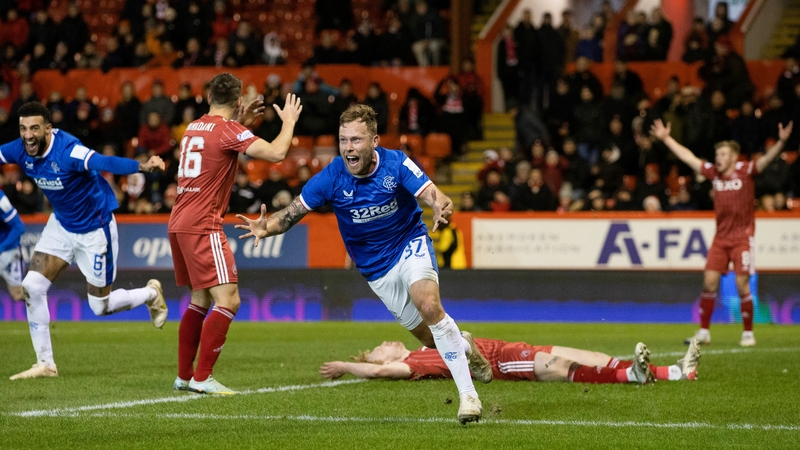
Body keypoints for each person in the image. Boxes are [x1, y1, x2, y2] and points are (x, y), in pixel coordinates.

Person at [237, 104, 491, 424]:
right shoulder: (332, 176)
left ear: (374, 141)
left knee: (428, 304)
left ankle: (469, 397)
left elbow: (433, 195)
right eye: (343, 140)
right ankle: (465, 346)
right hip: (376, 269)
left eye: (356, 140)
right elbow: (292, 213)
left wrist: (441, 206)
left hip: (409, 243)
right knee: (430, 339)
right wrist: (267, 227)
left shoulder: (396, 163)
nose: (348, 148)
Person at [3, 102, 168, 380]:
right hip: (61, 225)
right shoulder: (19, 149)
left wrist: (142, 166)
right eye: (23, 128)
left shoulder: (68, 150)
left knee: (100, 306)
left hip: (95, 229)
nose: (28, 135)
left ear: (48, 128)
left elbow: (104, 162)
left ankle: (151, 294)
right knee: (31, 285)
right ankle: (45, 364)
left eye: (34, 128)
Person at [168, 73, 303, 395]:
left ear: (208, 97)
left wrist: (240, 122)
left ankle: (185, 376)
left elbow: (217, 145)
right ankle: (202, 378)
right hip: (203, 223)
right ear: (239, 100)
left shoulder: (193, 127)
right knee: (229, 300)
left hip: (178, 221)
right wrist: (289, 121)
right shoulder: (228, 130)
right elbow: (276, 153)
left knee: (200, 299)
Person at [650, 119, 794, 347]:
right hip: (720, 238)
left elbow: (766, 160)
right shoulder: (714, 173)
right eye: (717, 154)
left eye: (724, 154)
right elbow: (688, 157)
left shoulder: (746, 171)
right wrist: (666, 138)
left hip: (742, 237)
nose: (719, 158)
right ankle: (704, 332)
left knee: (742, 285)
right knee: (709, 283)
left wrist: (781, 142)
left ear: (734, 157)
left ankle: (748, 333)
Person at [320, 337, 702, 385]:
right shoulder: (414, 364)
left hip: (508, 345)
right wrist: (346, 366)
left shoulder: (424, 343)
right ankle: (632, 377)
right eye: (378, 347)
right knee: (559, 366)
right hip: (500, 361)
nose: (385, 342)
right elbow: (381, 371)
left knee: (594, 356)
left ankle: (675, 372)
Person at [0, 189, 24, 301]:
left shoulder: (1, 201)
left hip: (7, 250)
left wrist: (2, 247)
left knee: (18, 294)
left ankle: (38, 298)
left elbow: (19, 227)